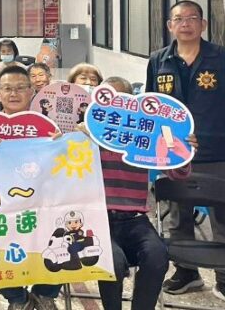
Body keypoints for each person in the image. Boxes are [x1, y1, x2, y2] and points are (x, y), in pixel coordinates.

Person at [147, 0, 225, 308]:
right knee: (177, 216)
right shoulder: (158, 60)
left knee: (223, 220)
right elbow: (152, 107)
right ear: (170, 25)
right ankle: (186, 272)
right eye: (178, 18)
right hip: (174, 155)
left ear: (203, 24)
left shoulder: (224, 58)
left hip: (218, 152)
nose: (185, 23)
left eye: (192, 18)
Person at [92, 76, 170, 310]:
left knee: (157, 256)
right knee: (113, 263)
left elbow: (176, 172)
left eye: (121, 100)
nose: (113, 106)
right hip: (99, 220)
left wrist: (182, 149)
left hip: (136, 219)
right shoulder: (89, 137)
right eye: (106, 100)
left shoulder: (143, 139)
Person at [0, 64, 62, 310]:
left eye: (20, 88)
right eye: (7, 89)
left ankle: (45, 295)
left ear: (32, 91)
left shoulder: (50, 127)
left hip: (43, 204)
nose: (14, 94)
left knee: (65, 232)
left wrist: (62, 144)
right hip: (0, 206)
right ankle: (17, 299)